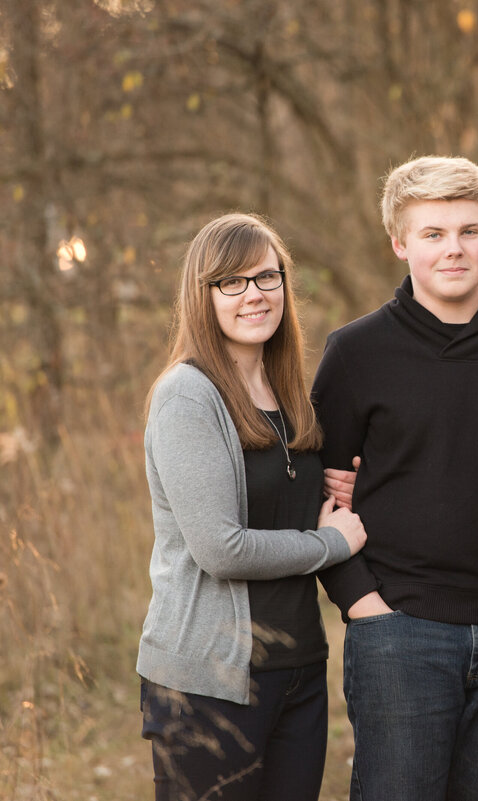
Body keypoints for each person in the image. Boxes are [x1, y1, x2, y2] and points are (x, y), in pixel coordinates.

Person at [311, 156, 478, 801]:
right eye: (433, 235)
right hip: (401, 631)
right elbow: (316, 493)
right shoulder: (356, 353)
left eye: (469, 231)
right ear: (400, 244)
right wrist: (365, 607)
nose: (454, 249)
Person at [137, 213, 367, 801]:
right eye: (231, 283)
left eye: (266, 277)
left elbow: (285, 500)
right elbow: (221, 548)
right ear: (202, 294)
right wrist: (331, 544)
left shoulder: (286, 389)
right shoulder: (187, 395)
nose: (254, 295)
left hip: (297, 671)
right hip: (209, 680)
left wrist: (342, 489)